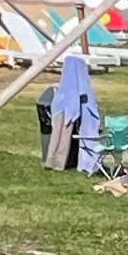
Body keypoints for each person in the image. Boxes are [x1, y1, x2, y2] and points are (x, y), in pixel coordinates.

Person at [44, 44, 103, 174]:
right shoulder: (78, 71)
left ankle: (50, 160)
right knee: (64, 135)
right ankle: (58, 163)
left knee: (57, 134)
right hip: (68, 106)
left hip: (60, 105)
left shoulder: (67, 76)